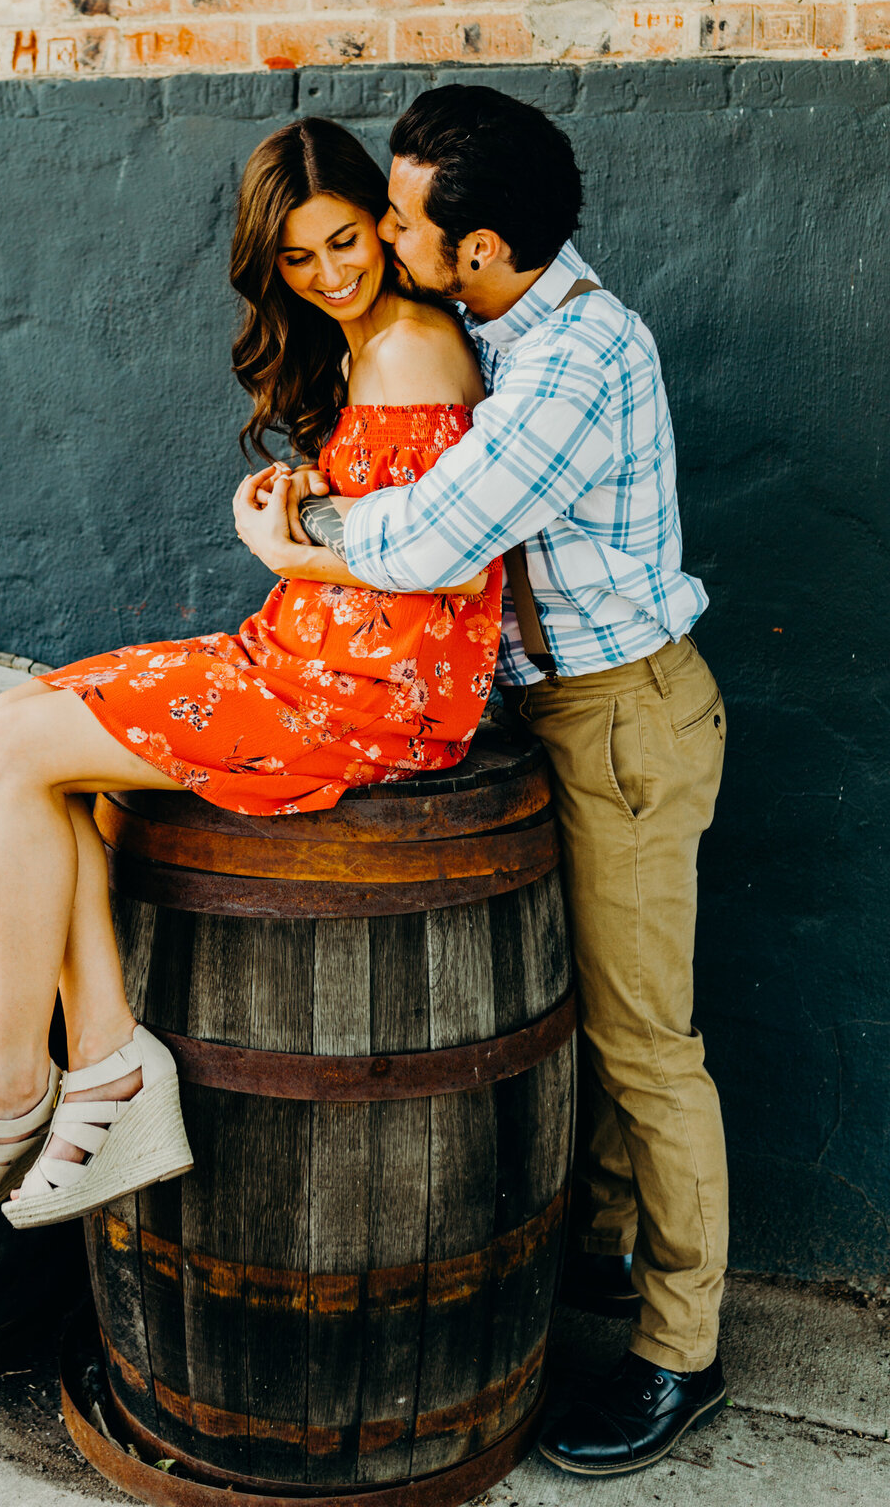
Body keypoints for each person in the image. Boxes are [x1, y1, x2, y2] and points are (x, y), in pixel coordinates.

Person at [0, 117, 501, 1237]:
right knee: (13, 728)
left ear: (382, 223)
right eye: (299, 261)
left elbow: (451, 574)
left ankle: (16, 1085)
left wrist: (286, 545)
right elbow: (385, 520)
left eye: (348, 243)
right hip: (310, 652)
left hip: (374, 695)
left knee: (13, 746)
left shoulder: (411, 345)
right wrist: (307, 506)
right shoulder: (369, 343)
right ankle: (107, 1061)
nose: (330, 277)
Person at [268, 84, 729, 1479]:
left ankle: (679, 1353)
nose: (386, 233)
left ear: (476, 251)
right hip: (550, 717)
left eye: (402, 220)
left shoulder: (574, 360)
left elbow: (433, 534)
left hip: (624, 723)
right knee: (578, 1015)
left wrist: (305, 531)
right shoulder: (495, 325)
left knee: (650, 1047)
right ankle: (595, 1262)